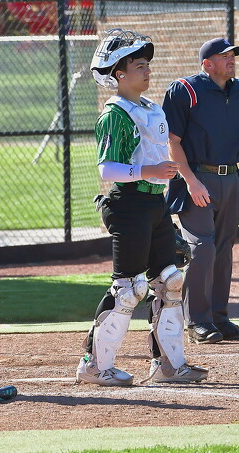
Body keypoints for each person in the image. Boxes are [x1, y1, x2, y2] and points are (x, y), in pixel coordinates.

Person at [76, 29, 208, 386]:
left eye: (147, 64)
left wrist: (159, 175)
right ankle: (93, 366)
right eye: (139, 66)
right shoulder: (114, 113)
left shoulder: (149, 108)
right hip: (129, 204)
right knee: (129, 288)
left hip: (154, 203)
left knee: (171, 280)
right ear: (119, 74)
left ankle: (168, 366)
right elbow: (107, 169)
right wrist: (149, 171)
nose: (147, 70)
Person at [163, 37, 239, 344]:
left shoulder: (238, 90)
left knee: (224, 247)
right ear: (207, 64)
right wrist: (191, 180)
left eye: (233, 55)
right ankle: (197, 321)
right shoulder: (185, 89)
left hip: (231, 177)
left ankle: (219, 317)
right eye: (225, 56)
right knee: (202, 247)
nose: (232, 59)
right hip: (196, 178)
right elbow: (172, 141)